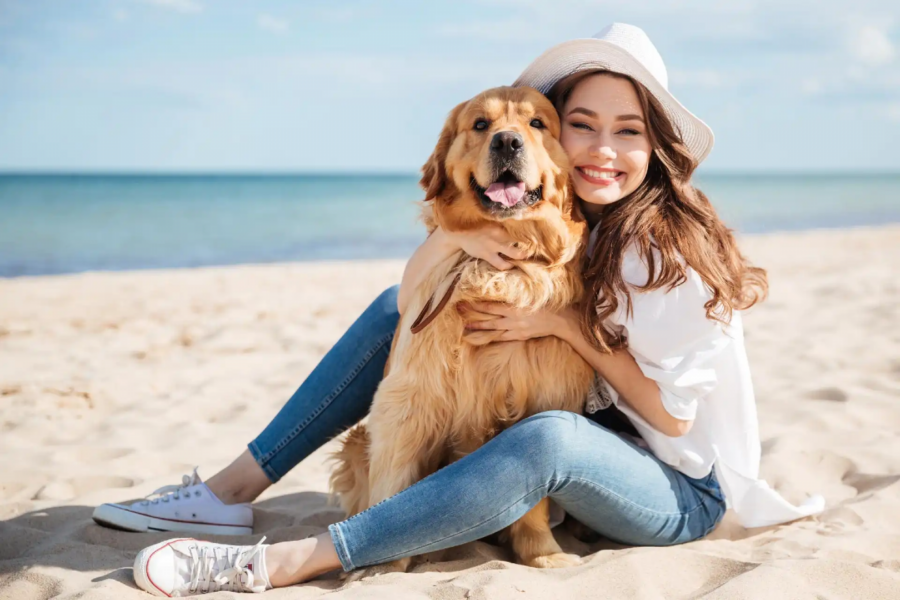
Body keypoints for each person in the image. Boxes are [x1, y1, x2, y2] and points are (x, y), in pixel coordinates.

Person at [101, 23, 824, 596]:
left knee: (550, 434)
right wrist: (457, 230)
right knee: (395, 312)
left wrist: (561, 324)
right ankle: (233, 489)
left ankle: (293, 562)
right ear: (561, 137)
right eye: (581, 124)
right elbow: (410, 297)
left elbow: (671, 420)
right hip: (609, 451)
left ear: (656, 147)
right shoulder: (580, 224)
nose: (603, 148)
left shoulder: (664, 252)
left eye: (629, 130)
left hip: (679, 488)